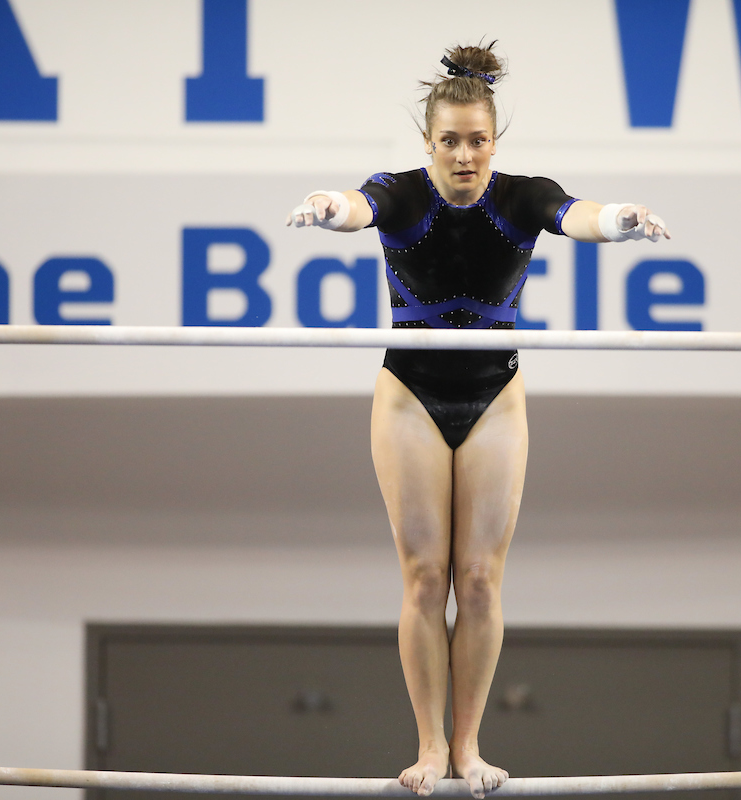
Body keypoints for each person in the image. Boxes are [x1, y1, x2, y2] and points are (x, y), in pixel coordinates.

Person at [286, 42, 669, 799]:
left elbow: (576, 215)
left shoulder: (522, 196)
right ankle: (429, 746)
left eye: (477, 140)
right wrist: (334, 209)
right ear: (428, 143)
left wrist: (619, 219)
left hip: (495, 394)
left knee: (482, 581)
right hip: (410, 394)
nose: (464, 156)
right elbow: (361, 208)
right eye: (450, 141)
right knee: (427, 579)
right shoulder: (399, 193)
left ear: (495, 141)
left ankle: (468, 745)